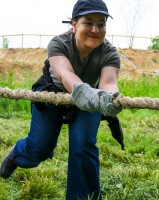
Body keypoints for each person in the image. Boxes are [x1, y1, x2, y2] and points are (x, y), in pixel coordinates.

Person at [0, 0, 123, 199]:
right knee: (40, 148)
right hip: (53, 93)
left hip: (90, 99)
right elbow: (66, 74)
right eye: (88, 22)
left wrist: (110, 98)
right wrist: (80, 89)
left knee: (83, 146)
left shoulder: (110, 53)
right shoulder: (58, 44)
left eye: (101, 24)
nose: (95, 29)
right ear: (74, 24)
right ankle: (17, 154)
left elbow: (109, 83)